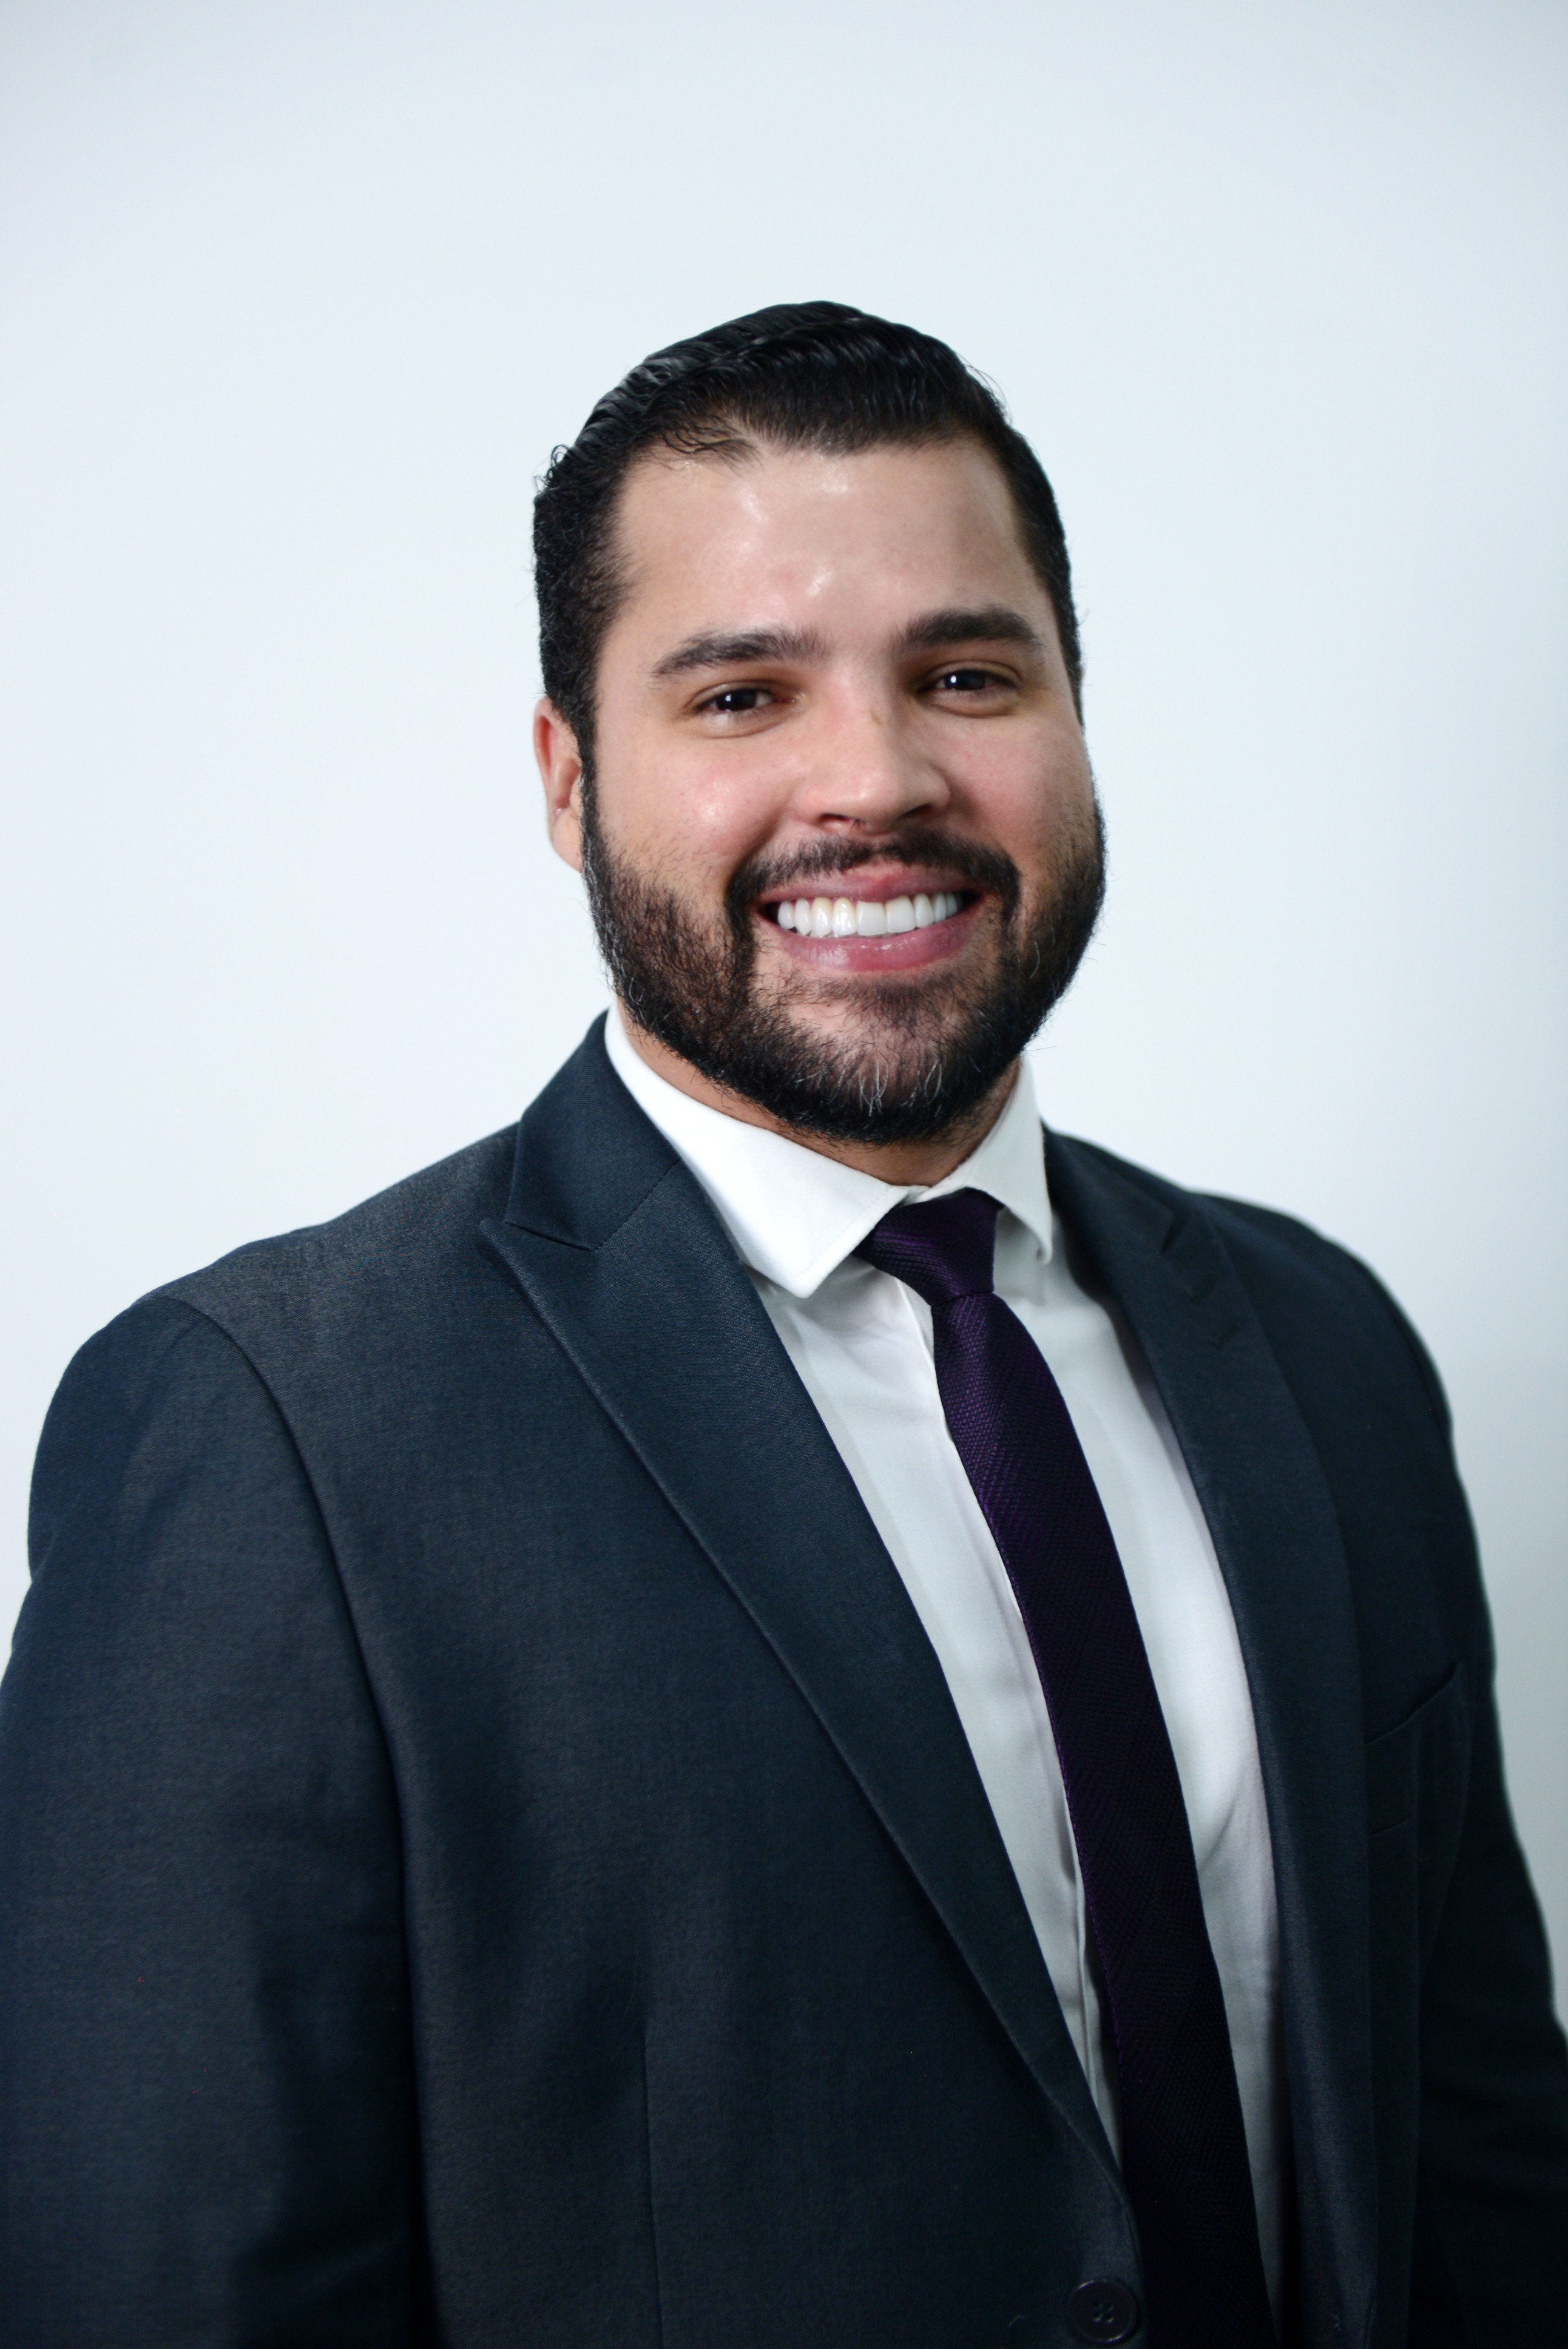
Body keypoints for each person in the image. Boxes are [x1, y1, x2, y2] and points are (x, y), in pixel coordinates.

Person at [1, 301, 1564, 2349]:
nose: (878, 781)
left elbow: (1483, 2177)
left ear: (1078, 719)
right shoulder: (270, 1433)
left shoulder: (1325, 1344)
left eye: (967, 675)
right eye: (743, 694)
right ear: (570, 782)